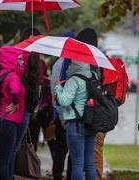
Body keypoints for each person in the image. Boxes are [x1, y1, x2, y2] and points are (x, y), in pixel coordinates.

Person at [54, 29, 98, 179]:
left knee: (77, 163)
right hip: (91, 123)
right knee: (90, 163)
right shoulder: (92, 75)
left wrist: (59, 87)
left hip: (75, 124)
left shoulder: (73, 79)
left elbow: (64, 101)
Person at [0, 45, 29, 180]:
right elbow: (15, 90)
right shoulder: (13, 76)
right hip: (9, 122)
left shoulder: (1, 72)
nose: (21, 62)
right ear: (11, 58)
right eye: (19, 59)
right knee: (5, 160)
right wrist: (16, 102)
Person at [9, 27, 43, 179]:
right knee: (13, 147)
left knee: (12, 147)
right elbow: (24, 86)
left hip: (23, 108)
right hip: (23, 108)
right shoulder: (29, 61)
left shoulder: (25, 60)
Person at [76, 27, 107, 180]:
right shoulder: (102, 60)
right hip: (102, 112)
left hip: (90, 113)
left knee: (91, 154)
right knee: (94, 152)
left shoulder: (87, 60)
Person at [49, 31, 76, 180]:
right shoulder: (79, 63)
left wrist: (57, 113)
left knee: (60, 149)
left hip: (61, 112)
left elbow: (55, 90)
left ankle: (57, 176)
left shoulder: (58, 64)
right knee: (74, 151)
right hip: (75, 114)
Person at [29, 59, 53, 152]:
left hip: (32, 110)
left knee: (32, 138)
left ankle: (32, 162)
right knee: (50, 138)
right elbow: (50, 99)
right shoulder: (47, 82)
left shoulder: (30, 79)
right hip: (44, 111)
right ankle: (55, 164)